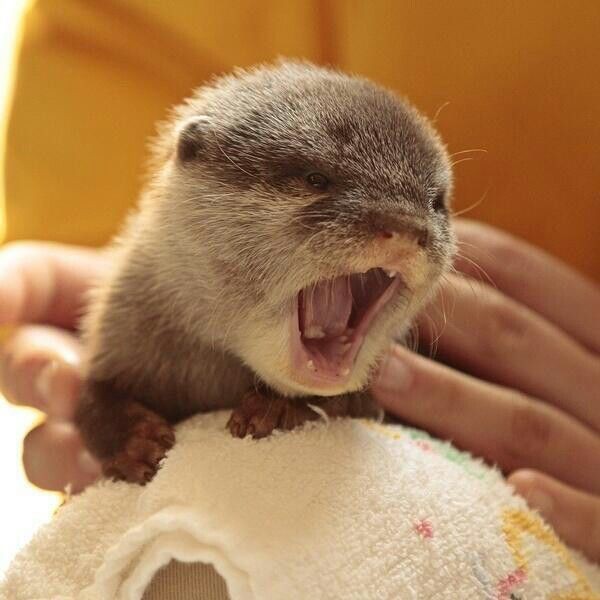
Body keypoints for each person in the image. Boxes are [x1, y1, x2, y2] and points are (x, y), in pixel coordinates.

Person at [1, 0, 599, 565]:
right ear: (197, 167)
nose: (408, 232)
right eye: (317, 183)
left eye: (433, 207)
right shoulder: (138, 303)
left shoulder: (399, 349)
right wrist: (110, 432)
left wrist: (318, 405)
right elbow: (98, 392)